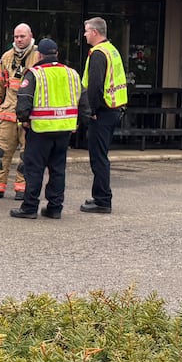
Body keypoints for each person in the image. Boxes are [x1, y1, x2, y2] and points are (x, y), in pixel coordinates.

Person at [10, 38, 81, 220]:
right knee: (58, 170)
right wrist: (78, 123)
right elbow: (84, 101)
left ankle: (29, 207)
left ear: (39, 55)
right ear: (57, 53)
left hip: (40, 130)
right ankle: (55, 208)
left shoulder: (34, 74)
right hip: (64, 130)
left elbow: (23, 100)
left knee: (34, 170)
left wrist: (24, 120)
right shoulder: (72, 73)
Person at [0, 23, 40, 201]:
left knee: (26, 156)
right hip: (7, 114)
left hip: (30, 115)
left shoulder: (38, 56)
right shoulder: (7, 57)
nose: (19, 40)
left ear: (30, 36)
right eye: (16, 37)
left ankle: (23, 189)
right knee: (0, 153)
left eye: (22, 36)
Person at [79, 16, 128, 214]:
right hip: (114, 109)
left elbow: (95, 86)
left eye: (86, 31)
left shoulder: (98, 54)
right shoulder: (112, 50)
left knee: (98, 158)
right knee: (101, 156)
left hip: (103, 111)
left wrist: (92, 111)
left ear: (95, 33)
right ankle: (100, 196)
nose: (84, 34)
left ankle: (102, 201)